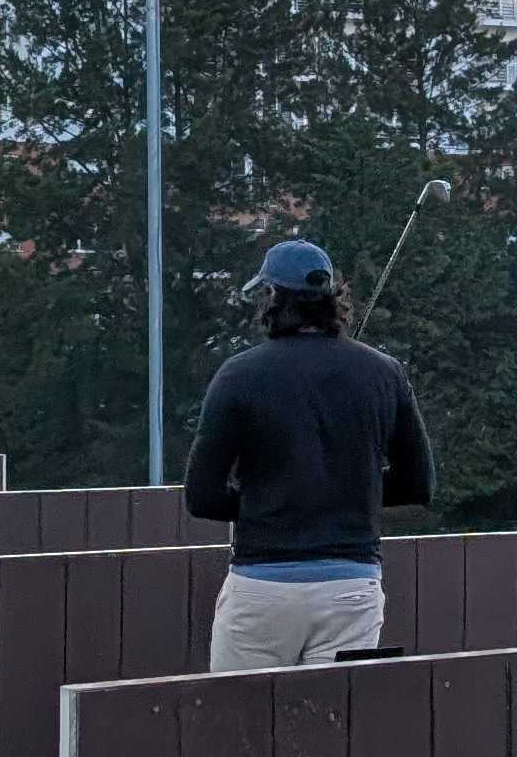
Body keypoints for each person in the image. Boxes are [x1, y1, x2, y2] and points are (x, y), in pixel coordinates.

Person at [183, 240, 435, 671]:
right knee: (337, 729)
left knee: (242, 722)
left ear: (272, 298)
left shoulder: (238, 375)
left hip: (261, 589)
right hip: (351, 588)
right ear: (332, 299)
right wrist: (343, 497)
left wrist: (271, 504)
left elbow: (201, 497)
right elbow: (419, 485)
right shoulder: (384, 373)